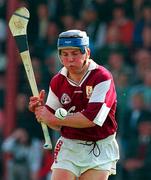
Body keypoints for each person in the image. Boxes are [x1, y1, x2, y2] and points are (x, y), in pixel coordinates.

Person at [28, 29, 119, 180]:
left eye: (75, 53)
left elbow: (90, 119)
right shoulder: (57, 81)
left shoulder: (102, 77)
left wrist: (52, 118)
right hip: (69, 146)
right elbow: (54, 123)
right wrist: (39, 111)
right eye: (65, 54)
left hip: (99, 147)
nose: (69, 59)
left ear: (87, 53)